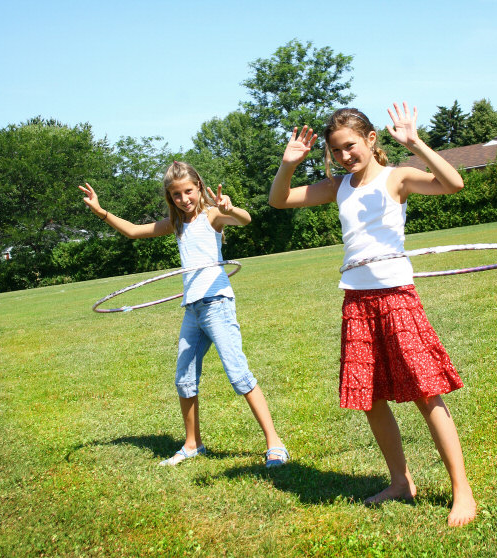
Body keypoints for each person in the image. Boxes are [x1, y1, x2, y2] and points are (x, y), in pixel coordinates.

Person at [269, 102, 476, 526]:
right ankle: (400, 481)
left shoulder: (396, 177)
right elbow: (279, 200)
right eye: (337, 150)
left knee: (424, 390)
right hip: (357, 302)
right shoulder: (337, 186)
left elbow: (453, 184)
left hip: (396, 295)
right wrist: (288, 164)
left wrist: (415, 142)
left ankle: (462, 490)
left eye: (351, 146)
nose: (346, 155)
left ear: (370, 140)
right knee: (371, 398)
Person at [79, 161, 288, 468]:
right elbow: (136, 232)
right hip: (192, 309)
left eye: (188, 191)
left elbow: (245, 219)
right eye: (176, 195)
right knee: (184, 379)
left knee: (238, 374)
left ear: (199, 188)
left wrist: (230, 208)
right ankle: (193, 444)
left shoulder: (212, 215)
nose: (184, 199)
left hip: (216, 302)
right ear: (170, 197)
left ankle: (275, 443)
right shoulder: (177, 224)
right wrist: (102, 213)